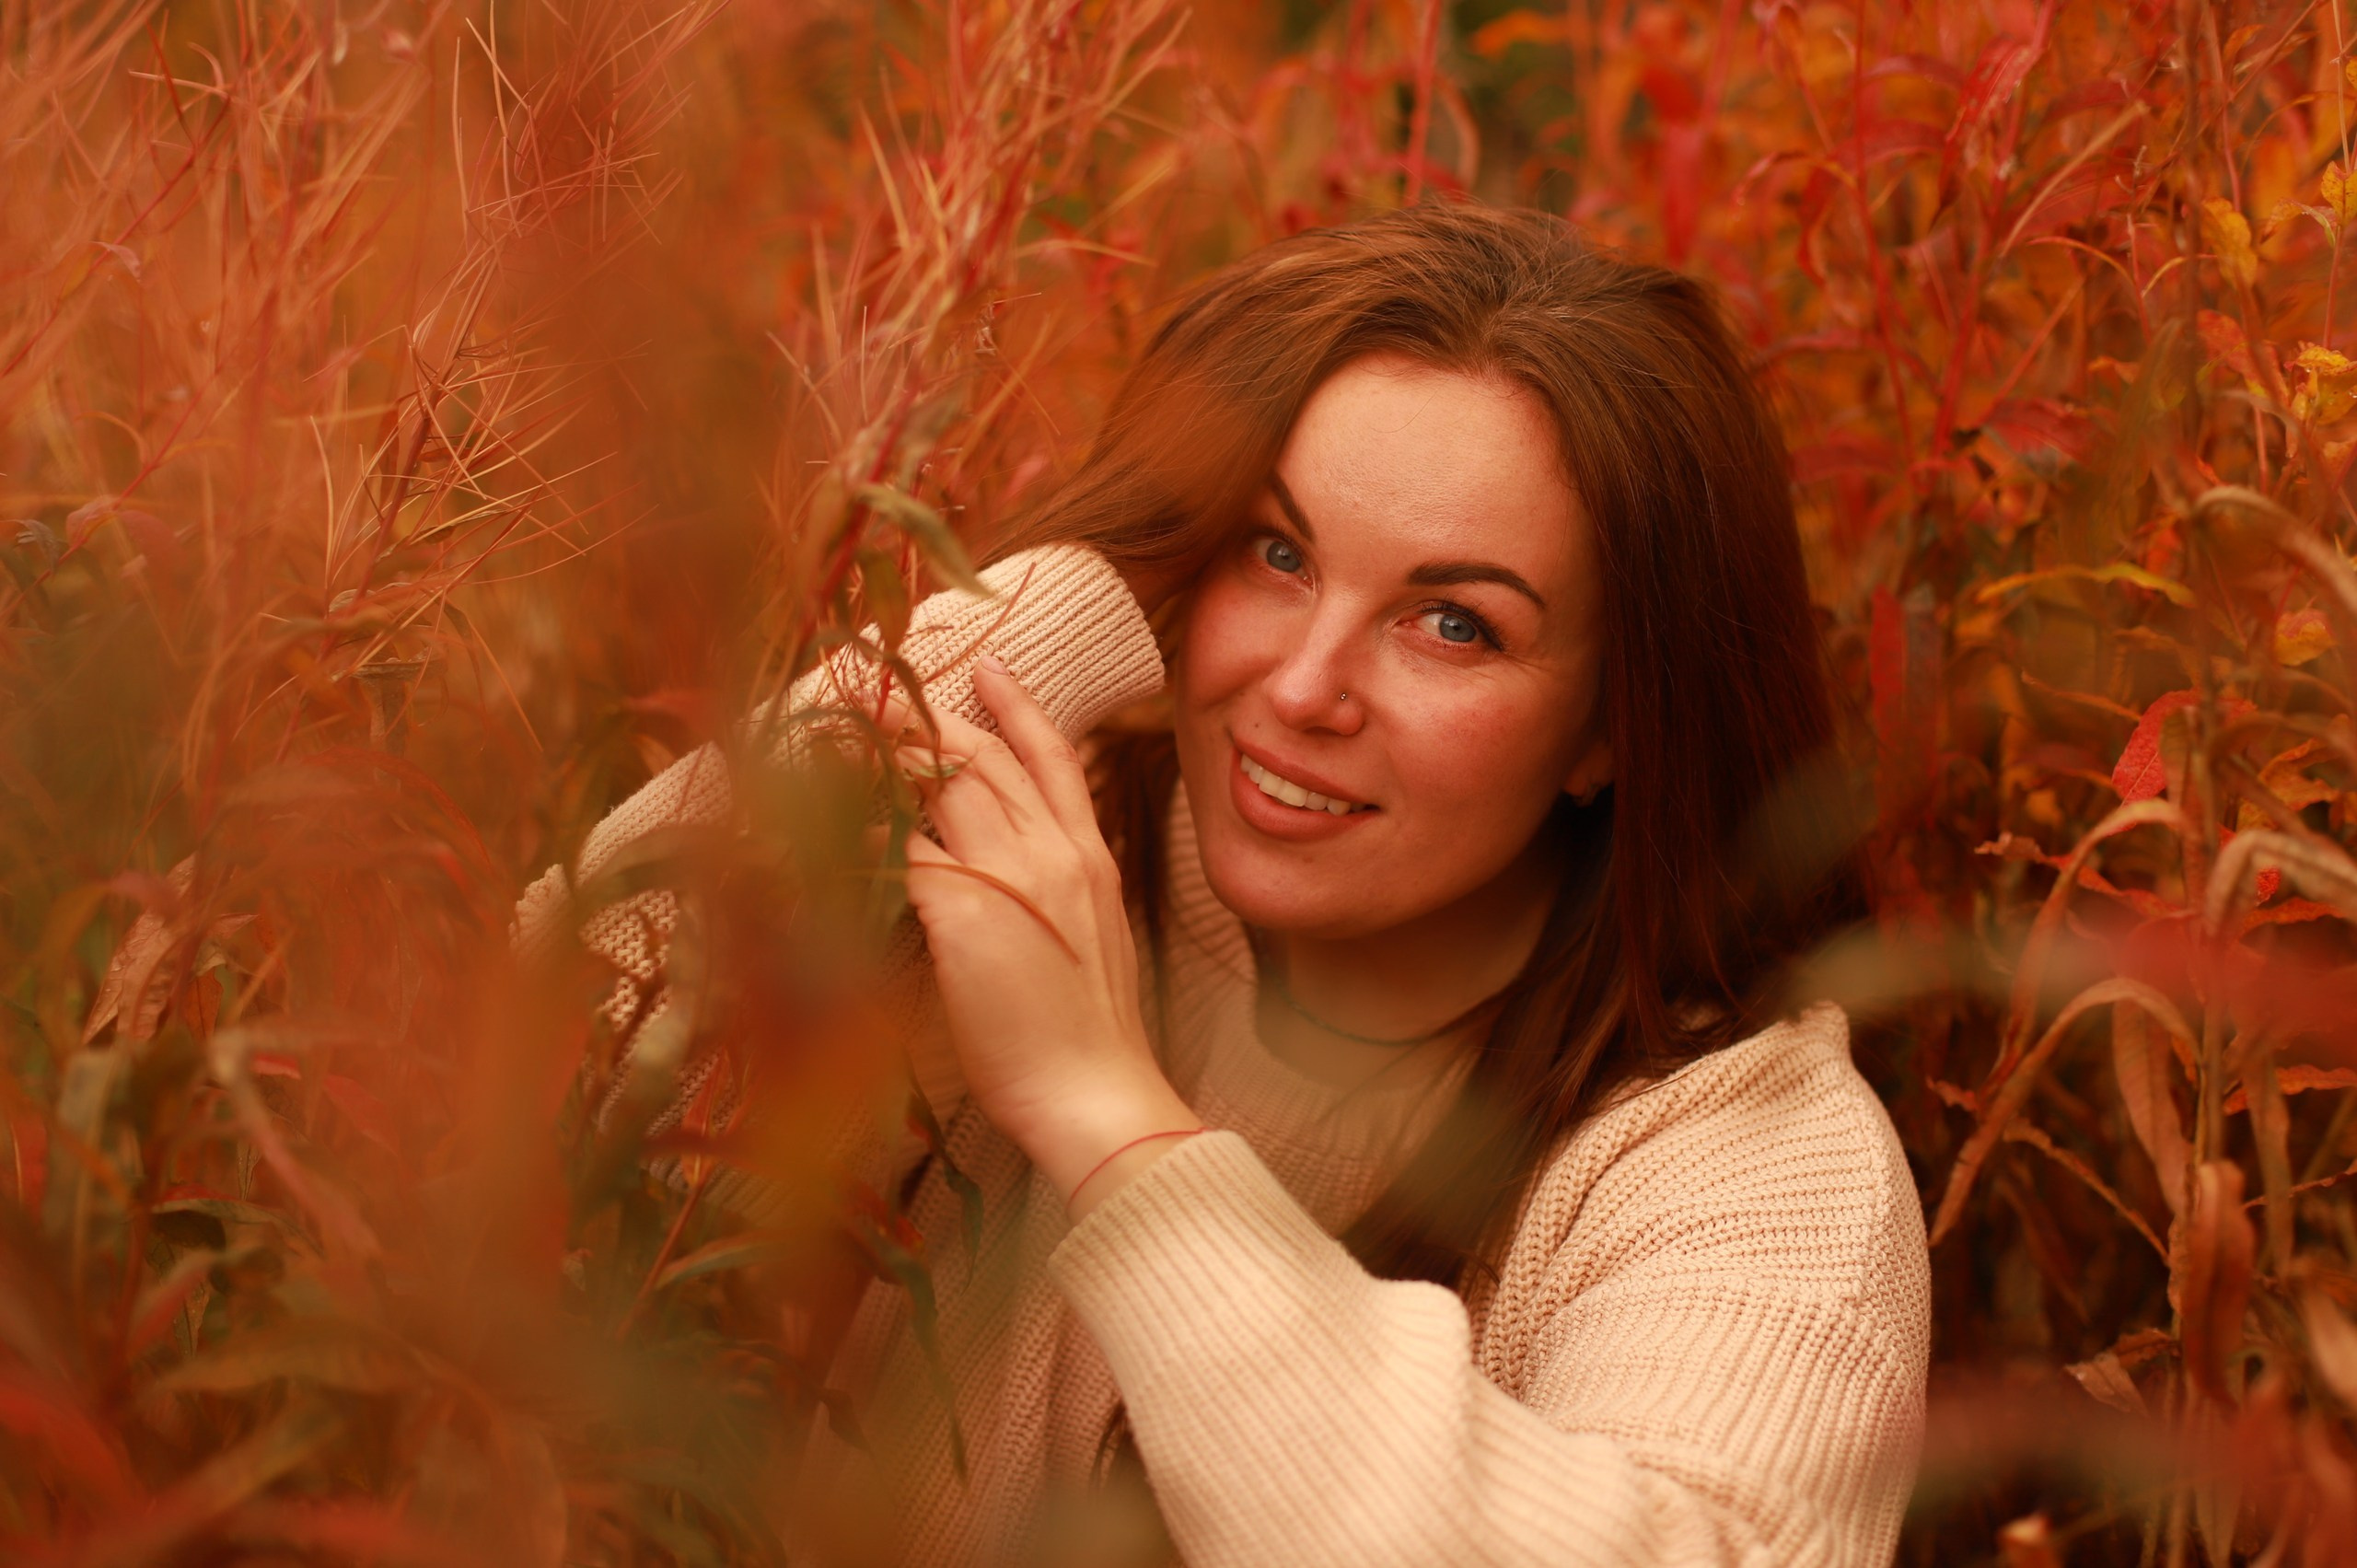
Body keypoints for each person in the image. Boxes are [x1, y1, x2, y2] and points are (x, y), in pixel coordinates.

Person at [520, 202, 1930, 1567]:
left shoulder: (1743, 1161)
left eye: (1454, 624)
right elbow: (529, 1052)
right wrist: (1082, 589)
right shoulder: (1030, 869)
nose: (1305, 687)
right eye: (1275, 549)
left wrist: (1112, 1124)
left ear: (1621, 722)